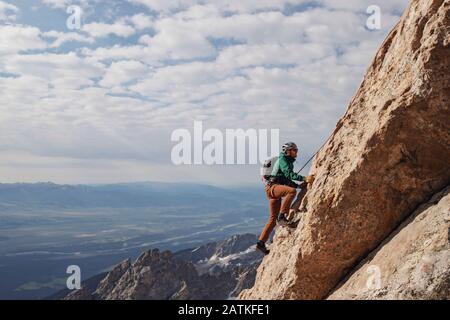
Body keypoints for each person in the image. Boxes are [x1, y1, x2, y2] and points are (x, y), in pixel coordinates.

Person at [256, 142, 315, 255]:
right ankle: (282, 216)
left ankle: (260, 243)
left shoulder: (286, 161)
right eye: (294, 150)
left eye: (296, 150)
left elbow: (285, 179)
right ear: (287, 151)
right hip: (273, 187)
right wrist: (304, 178)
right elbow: (288, 174)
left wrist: (298, 185)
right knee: (291, 192)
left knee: (272, 219)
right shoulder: (283, 160)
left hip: (272, 189)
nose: (296, 152)